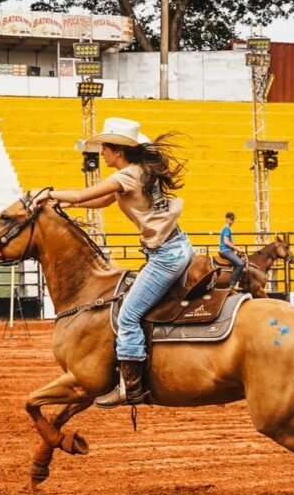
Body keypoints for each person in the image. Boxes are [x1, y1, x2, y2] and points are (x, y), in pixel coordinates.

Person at [30, 117, 193, 409]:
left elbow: (83, 193)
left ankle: (131, 388)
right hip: (176, 248)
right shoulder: (137, 173)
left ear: (117, 150)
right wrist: (68, 205)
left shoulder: (127, 175)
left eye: (104, 147)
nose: (101, 152)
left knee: (128, 316)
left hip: (165, 256)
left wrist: (48, 194)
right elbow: (100, 201)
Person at [218, 211, 246, 292]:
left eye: (233, 219)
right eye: (231, 219)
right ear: (226, 219)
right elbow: (226, 242)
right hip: (226, 251)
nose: (233, 221)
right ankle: (232, 284)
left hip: (228, 250)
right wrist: (238, 249)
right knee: (240, 263)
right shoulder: (226, 228)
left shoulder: (226, 228)